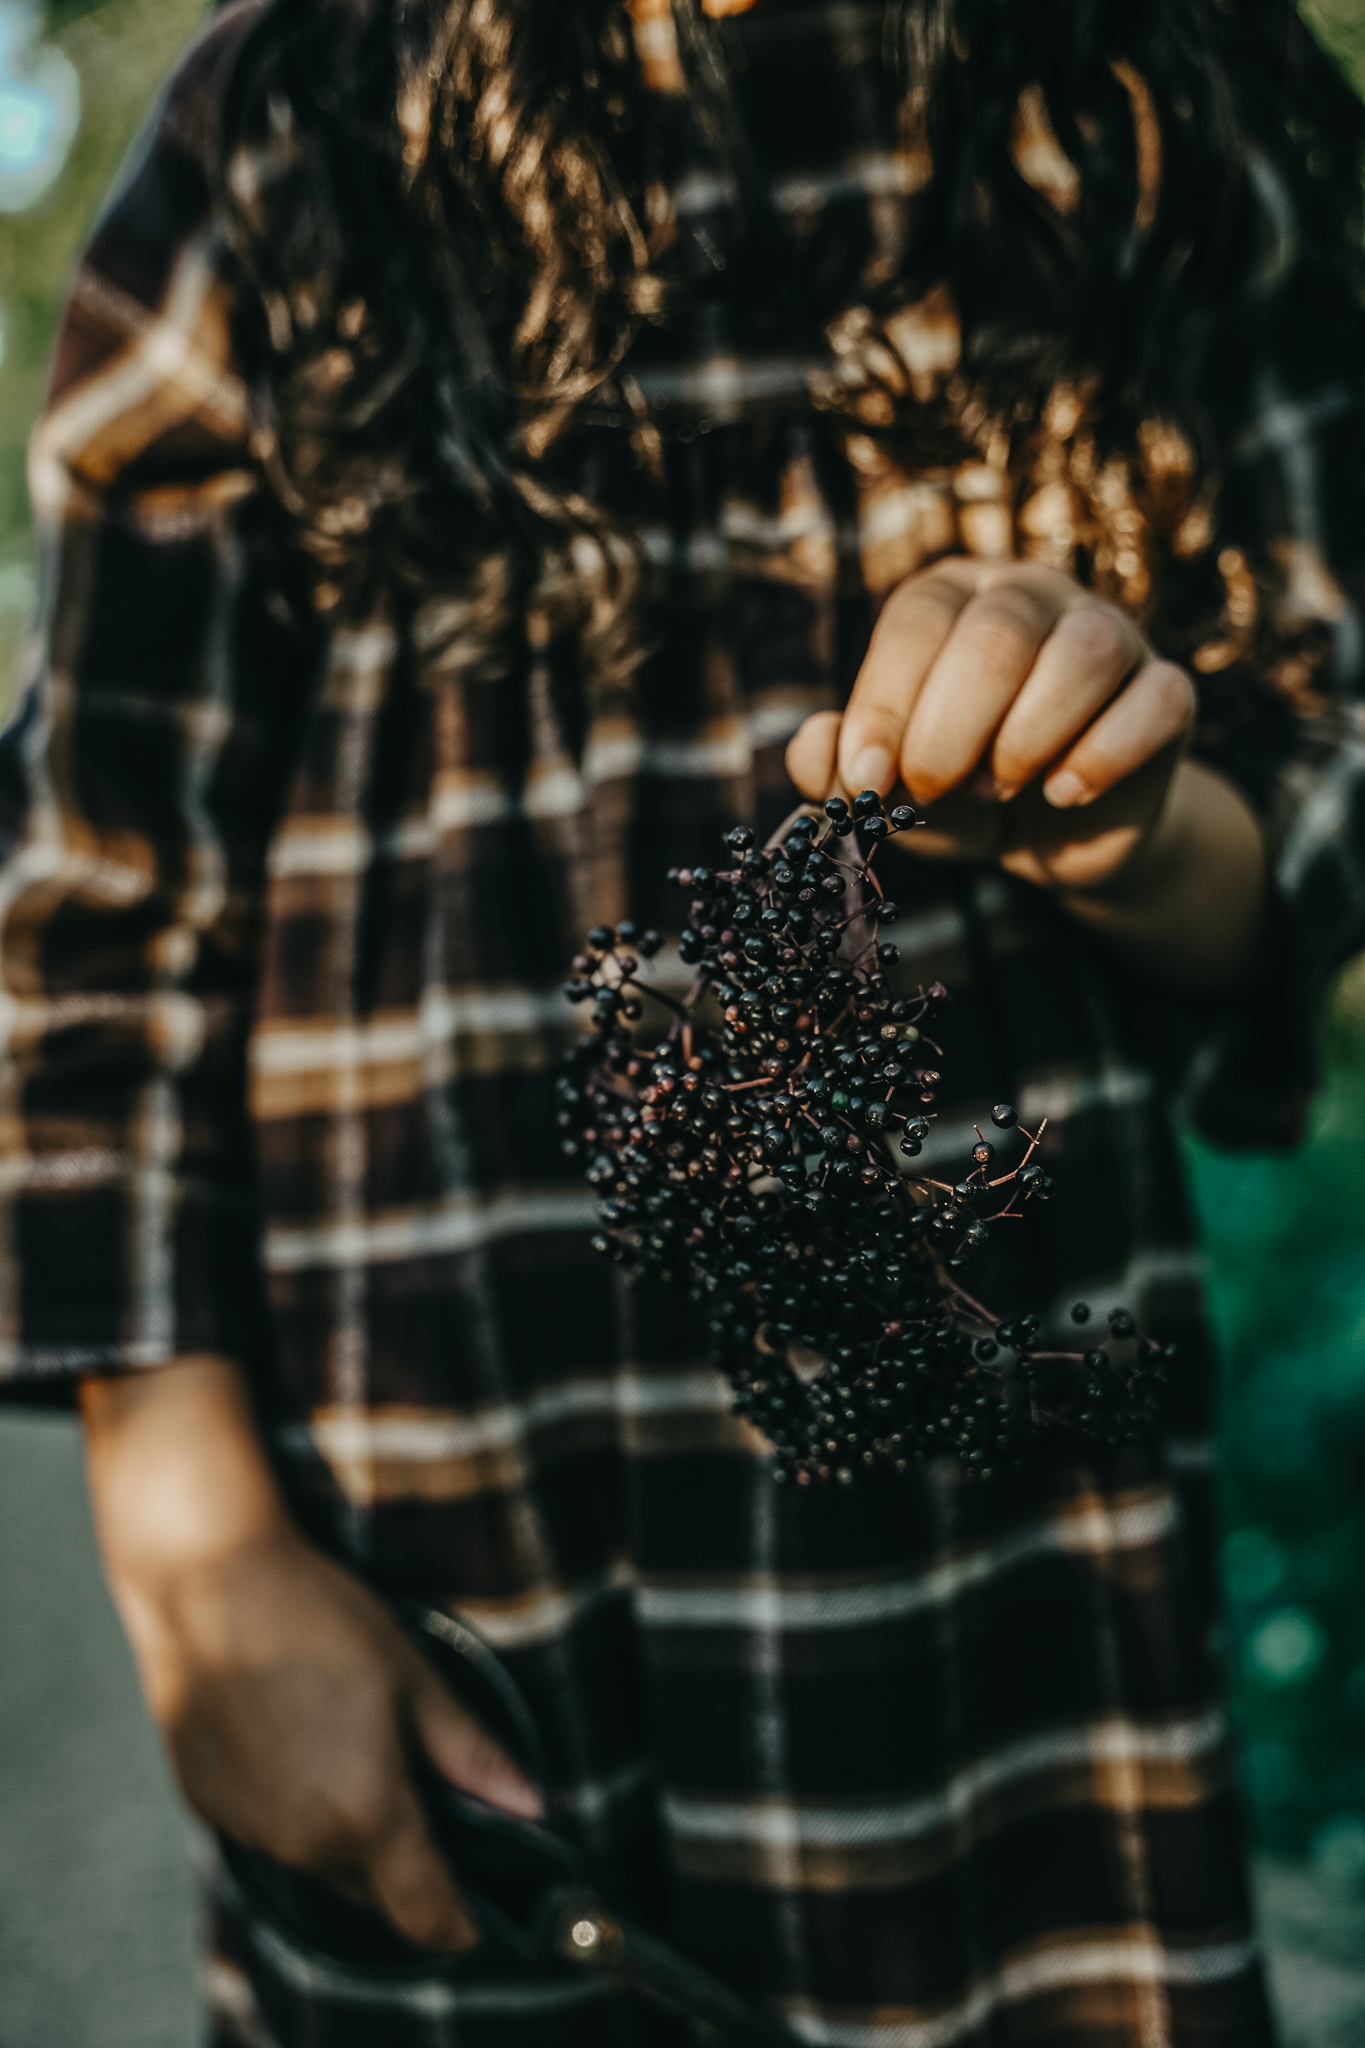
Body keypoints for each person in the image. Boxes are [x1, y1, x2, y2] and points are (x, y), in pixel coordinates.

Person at [4, 0, 1365, 2039]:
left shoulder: (1168, 112)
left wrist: (1127, 816)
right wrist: (191, 1537)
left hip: (1003, 1629)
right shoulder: (281, 140)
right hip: (453, 1588)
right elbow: (102, 885)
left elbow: (1301, 806)